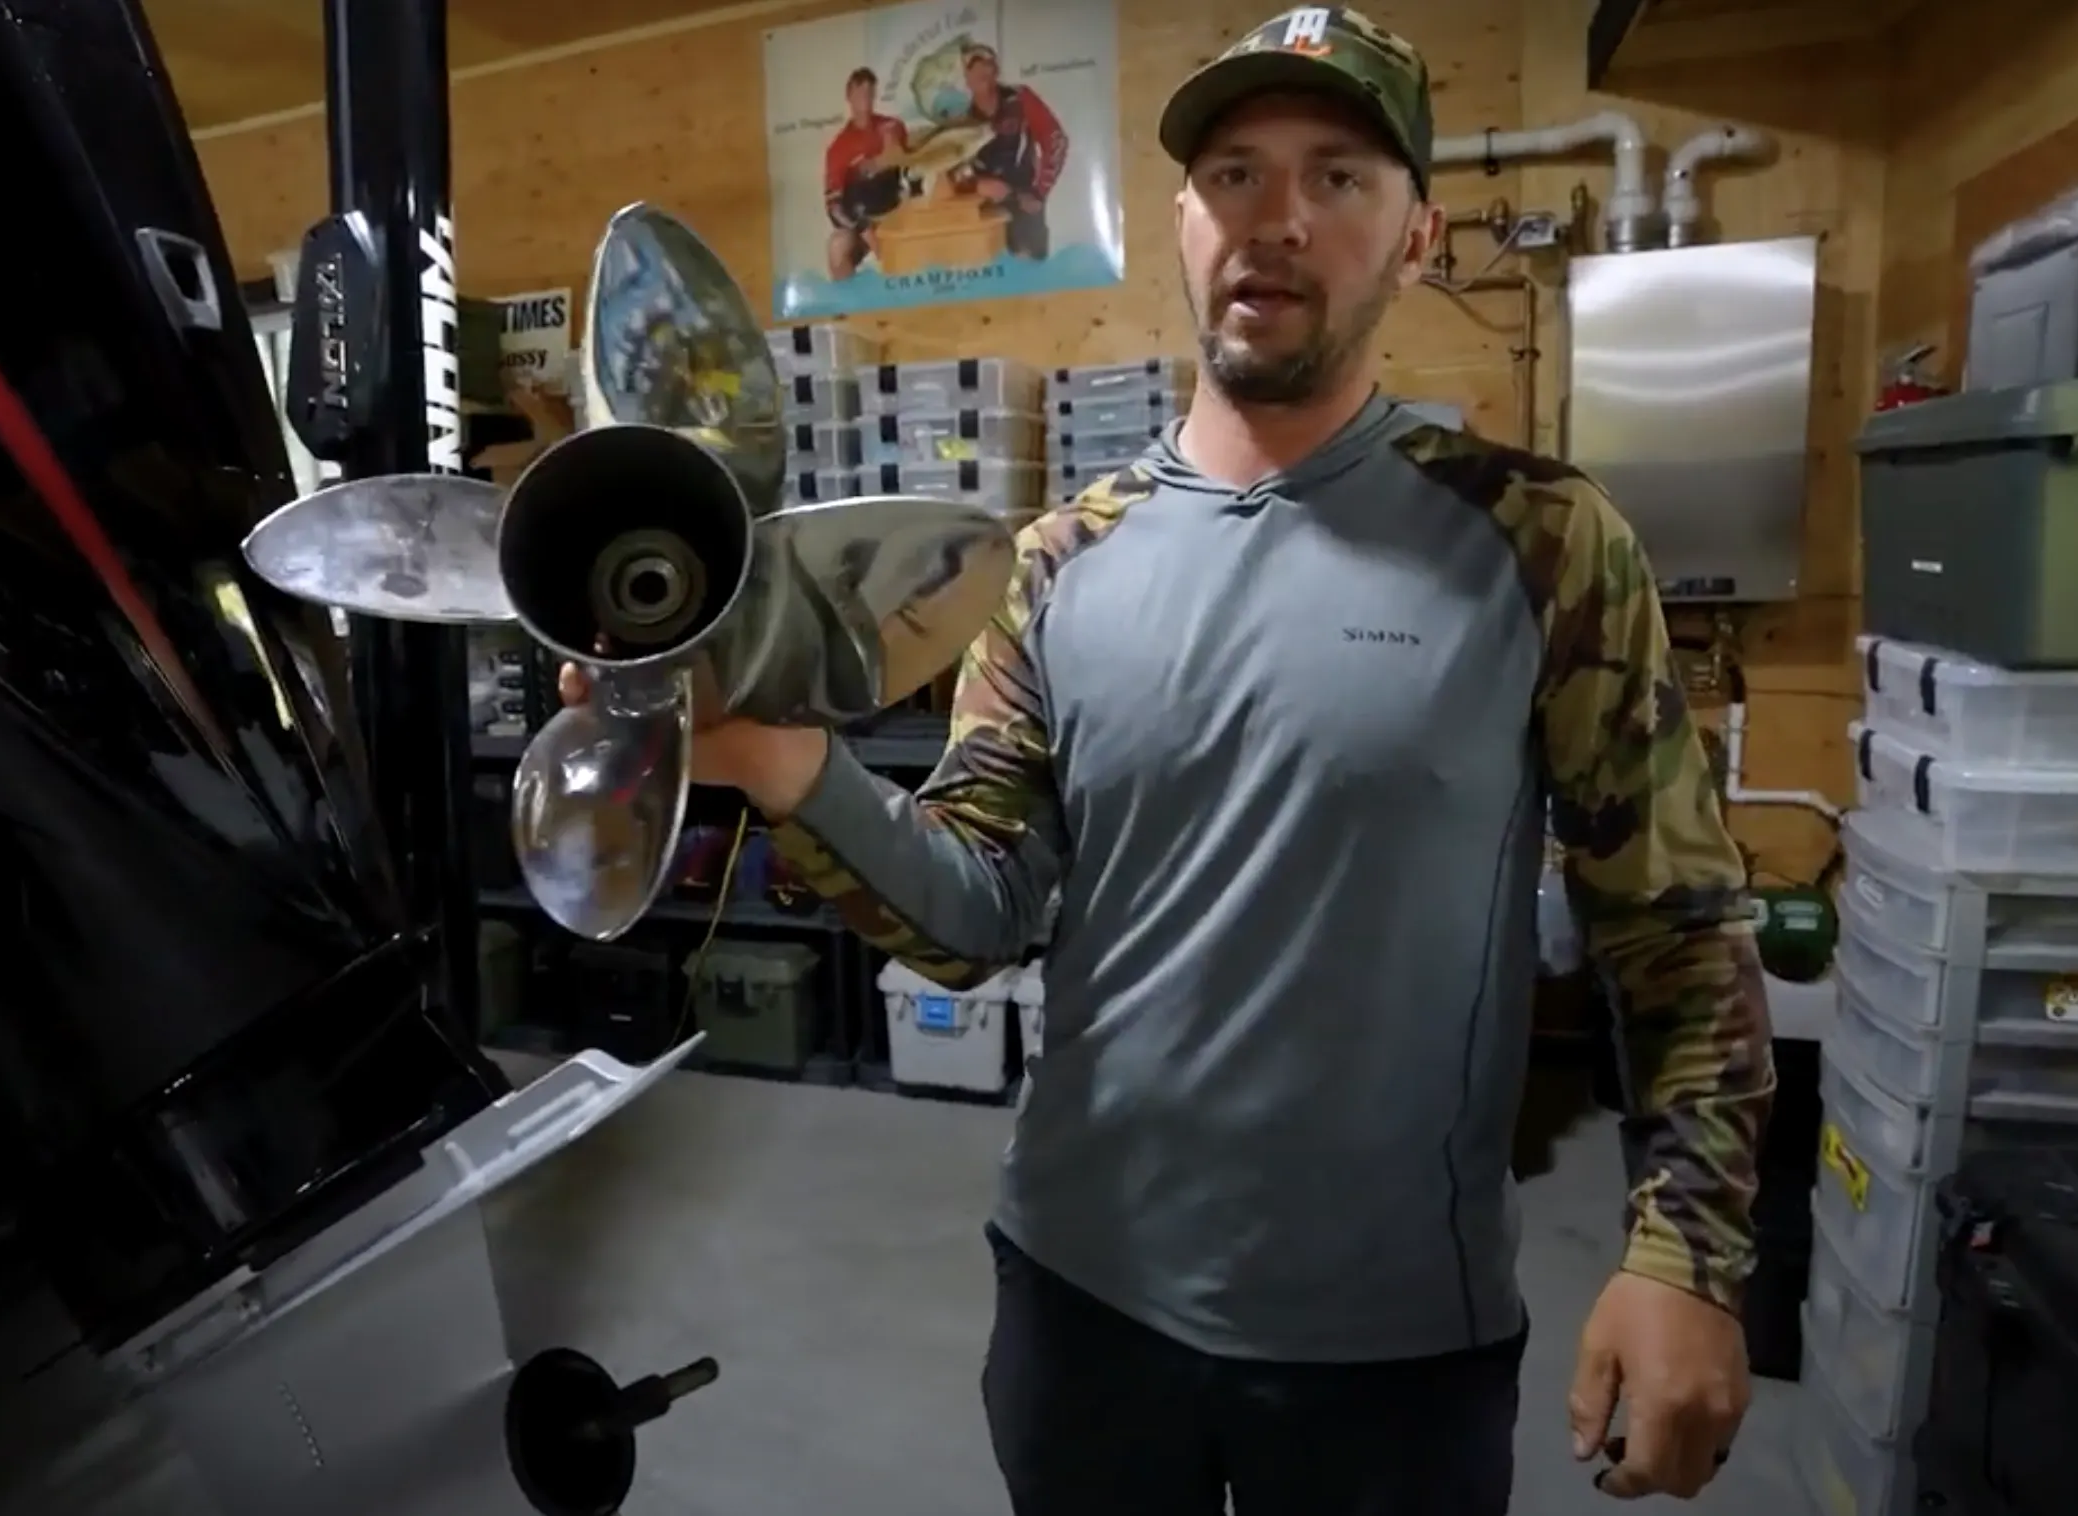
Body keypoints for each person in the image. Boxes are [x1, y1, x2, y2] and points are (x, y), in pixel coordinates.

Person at [562, 8, 1772, 1512]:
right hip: (1080, 1307)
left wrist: (1687, 1251)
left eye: (1338, 177)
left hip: (1388, 1351)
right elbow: (975, 913)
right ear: (1184, 224)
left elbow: (1673, 923)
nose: (1279, 217)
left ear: (1416, 237)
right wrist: (772, 756)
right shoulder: (1058, 562)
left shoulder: (1540, 542)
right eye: (1234, 173)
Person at [956, 42, 1064, 261]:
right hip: (983, 212)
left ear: (996, 71)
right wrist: (977, 184)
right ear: (966, 78)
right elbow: (952, 170)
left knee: (1031, 270)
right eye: (974, 68)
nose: (981, 73)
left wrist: (1039, 192)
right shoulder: (960, 120)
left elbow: (1056, 140)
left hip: (1026, 205)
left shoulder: (1021, 98)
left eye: (987, 65)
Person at [822, 66, 907, 279]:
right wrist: (864, 229)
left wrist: (886, 155)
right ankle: (850, 299)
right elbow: (834, 205)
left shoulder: (892, 126)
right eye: (859, 91)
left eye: (869, 91)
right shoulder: (838, 148)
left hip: (897, 210)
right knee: (836, 247)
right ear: (848, 96)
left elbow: (909, 161)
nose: (865, 97)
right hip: (864, 221)